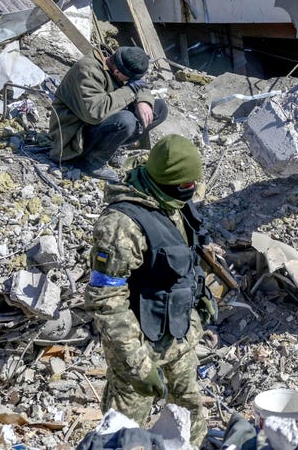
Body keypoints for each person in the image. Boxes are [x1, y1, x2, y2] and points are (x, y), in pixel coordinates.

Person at [84, 135, 212, 446]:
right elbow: (106, 301)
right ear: (165, 181)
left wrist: (200, 298)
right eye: (184, 187)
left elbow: (182, 254)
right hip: (138, 345)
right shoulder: (121, 226)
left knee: (190, 411)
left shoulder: (172, 201)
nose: (191, 191)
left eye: (193, 184)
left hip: (179, 336)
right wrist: (138, 365)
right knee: (124, 433)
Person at [50, 46, 167, 180]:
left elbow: (139, 85)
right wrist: (130, 90)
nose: (130, 81)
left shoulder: (119, 61)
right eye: (129, 79)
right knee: (126, 121)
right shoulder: (87, 70)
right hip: (74, 135)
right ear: (117, 72)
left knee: (159, 108)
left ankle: (113, 149)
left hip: (97, 125)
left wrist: (144, 101)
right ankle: (91, 163)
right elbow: (94, 113)